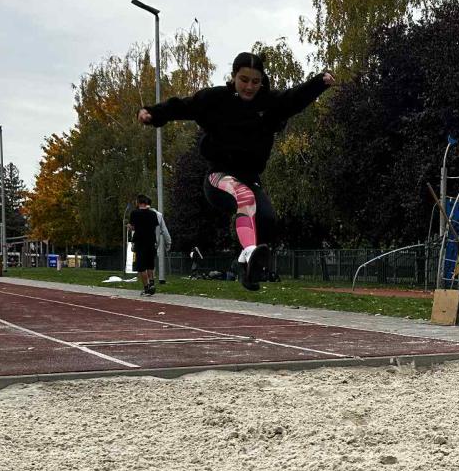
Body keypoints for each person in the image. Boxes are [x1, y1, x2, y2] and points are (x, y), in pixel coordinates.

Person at [138, 52, 335, 291]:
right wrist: (153, 113)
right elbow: (183, 106)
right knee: (245, 196)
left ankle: (246, 267)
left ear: (262, 82)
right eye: (244, 80)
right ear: (233, 76)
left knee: (267, 219)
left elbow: (294, 99)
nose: (249, 87)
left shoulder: (268, 104)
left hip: (250, 178)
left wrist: (318, 83)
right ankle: (249, 252)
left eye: (255, 81)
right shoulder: (216, 99)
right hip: (218, 177)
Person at [128, 194, 160, 296]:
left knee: (142, 267)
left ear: (138, 202)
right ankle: (152, 283)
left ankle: (146, 288)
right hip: (151, 242)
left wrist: (130, 227)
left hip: (140, 242)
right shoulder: (153, 214)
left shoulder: (134, 213)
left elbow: (133, 227)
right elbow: (155, 226)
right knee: (150, 265)